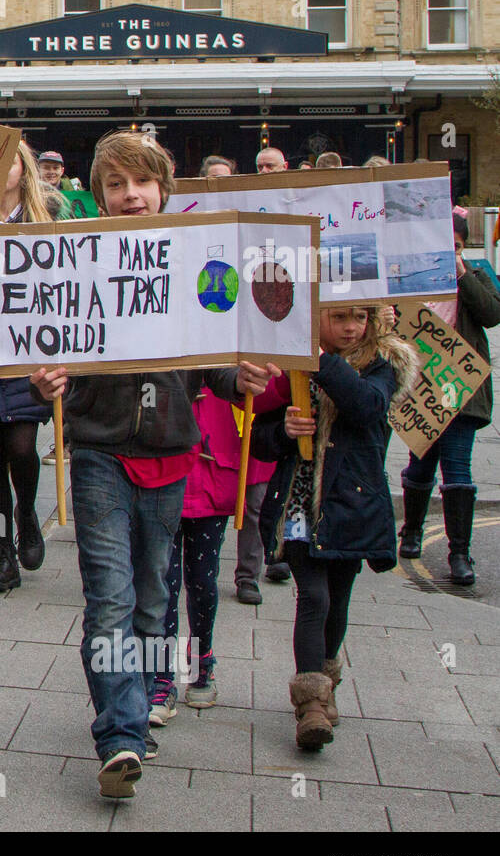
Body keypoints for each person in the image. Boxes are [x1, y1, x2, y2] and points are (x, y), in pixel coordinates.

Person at [29, 130, 277, 799]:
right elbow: (47, 340)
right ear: (100, 194)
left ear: (164, 189)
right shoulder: (75, 261)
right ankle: (121, 735)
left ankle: (134, 707)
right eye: (115, 184)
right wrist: (44, 381)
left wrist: (238, 378)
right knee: (108, 597)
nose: (130, 194)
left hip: (172, 453)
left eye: (141, 181)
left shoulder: (195, 261)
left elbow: (212, 358)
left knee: (149, 599)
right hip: (100, 453)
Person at [253, 308, 416, 750]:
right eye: (340, 317)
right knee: (315, 596)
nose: (352, 327)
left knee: (338, 600)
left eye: (359, 318)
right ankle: (309, 705)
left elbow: (366, 407)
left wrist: (321, 360)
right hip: (302, 504)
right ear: (318, 316)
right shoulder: (288, 360)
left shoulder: (385, 361)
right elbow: (260, 434)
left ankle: (326, 685)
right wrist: (285, 431)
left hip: (353, 505)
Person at [148, 383, 286, 726]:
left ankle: (200, 660)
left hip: (212, 477)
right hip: (162, 473)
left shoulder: (227, 346)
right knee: (163, 583)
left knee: (203, 582)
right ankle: (161, 677)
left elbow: (267, 394)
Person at [0, 141, 59, 591]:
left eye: (12, 159)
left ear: (25, 167)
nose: (3, 168)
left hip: (26, 355)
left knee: (21, 447)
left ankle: (28, 515)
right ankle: (3, 554)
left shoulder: (48, 219)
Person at [397, 213, 500, 586]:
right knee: (420, 466)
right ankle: (411, 532)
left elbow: (492, 314)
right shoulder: (413, 277)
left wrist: (461, 271)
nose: (448, 253)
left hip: (462, 391)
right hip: (421, 389)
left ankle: (459, 552)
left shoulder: (476, 274)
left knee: (458, 469)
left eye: (455, 247)